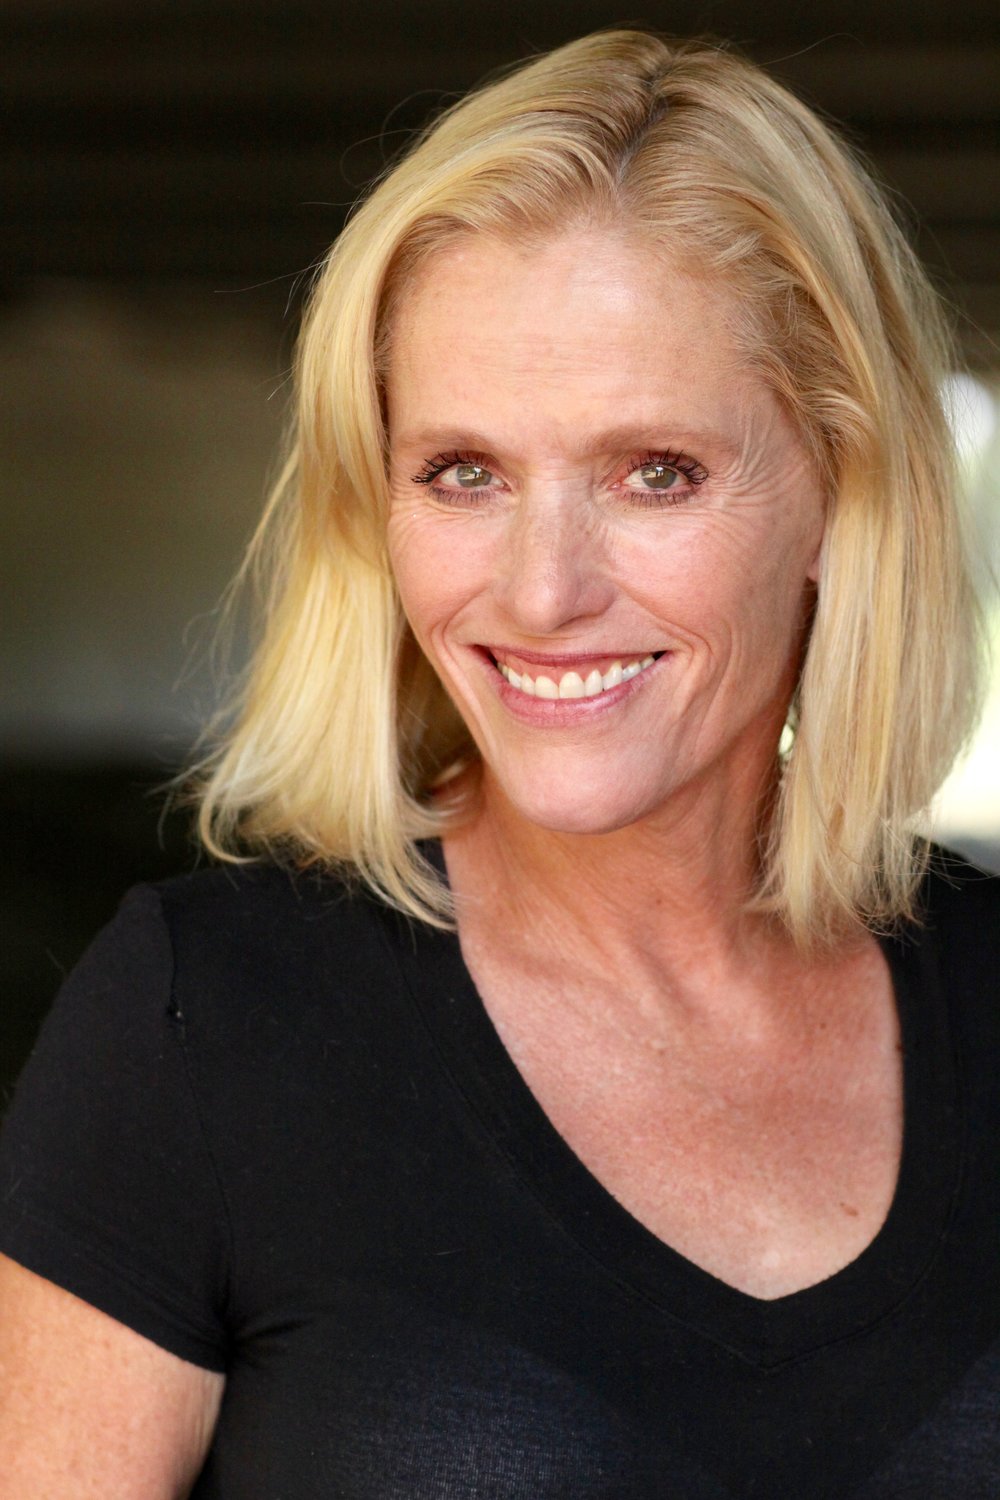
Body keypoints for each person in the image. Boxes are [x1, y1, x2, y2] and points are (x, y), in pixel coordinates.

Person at [0, 28, 997, 1499]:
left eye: (655, 472)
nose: (541, 592)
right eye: (462, 472)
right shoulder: (200, 1027)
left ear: (841, 498)